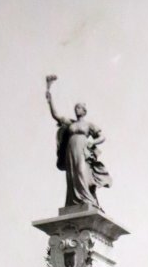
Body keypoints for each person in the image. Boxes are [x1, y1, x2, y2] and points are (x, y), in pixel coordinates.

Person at [45, 79, 112, 209]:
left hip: (83, 150)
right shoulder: (70, 123)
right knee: (72, 175)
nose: (77, 109)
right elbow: (56, 115)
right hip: (71, 151)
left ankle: (87, 200)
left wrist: (92, 142)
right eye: (76, 107)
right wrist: (50, 99)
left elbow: (102, 137)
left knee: (82, 172)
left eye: (79, 107)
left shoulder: (88, 125)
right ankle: (73, 202)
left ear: (84, 111)